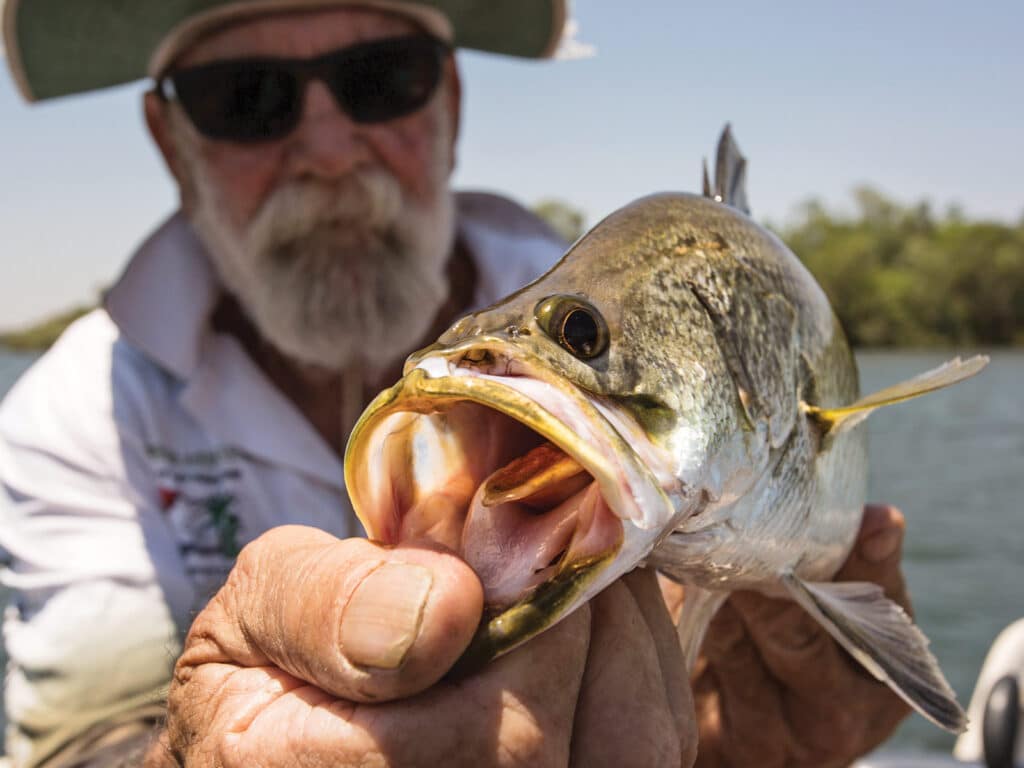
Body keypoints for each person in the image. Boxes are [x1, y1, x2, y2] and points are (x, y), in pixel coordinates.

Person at [0, 2, 911, 766]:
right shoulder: (75, 414)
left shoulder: (569, 294)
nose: (328, 149)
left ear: (453, 101)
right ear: (169, 140)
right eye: (246, 99)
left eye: (381, 77)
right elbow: (81, 737)